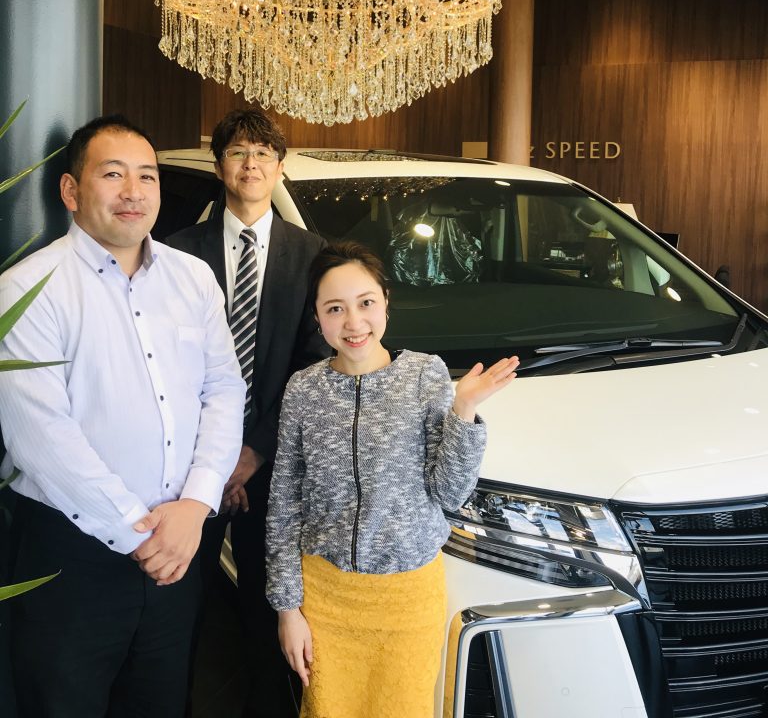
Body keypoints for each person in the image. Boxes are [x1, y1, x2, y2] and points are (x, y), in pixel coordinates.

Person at [0, 115, 246, 718]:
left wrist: (196, 505)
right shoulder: (29, 287)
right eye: (113, 175)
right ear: (70, 190)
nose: (133, 192)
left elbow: (223, 389)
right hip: (72, 553)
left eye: (147, 176)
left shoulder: (193, 278)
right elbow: (41, 437)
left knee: (161, 702)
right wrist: (142, 533)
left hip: (180, 546)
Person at [265, 241, 519, 718]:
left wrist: (464, 410)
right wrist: (287, 609)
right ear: (316, 317)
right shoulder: (304, 389)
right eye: (335, 308)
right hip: (325, 597)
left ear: (385, 301)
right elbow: (283, 504)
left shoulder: (425, 374)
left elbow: (449, 494)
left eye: (365, 303)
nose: (353, 322)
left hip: (407, 599)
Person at [167, 108, 326, 718]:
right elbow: (168, 366)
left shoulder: (311, 255)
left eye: (263, 153)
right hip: (188, 467)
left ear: (279, 169)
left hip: (275, 465)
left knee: (270, 607)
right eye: (238, 152)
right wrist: (215, 457)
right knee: (180, 604)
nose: (251, 163)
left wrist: (251, 453)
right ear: (219, 167)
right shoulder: (178, 252)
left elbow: (312, 367)